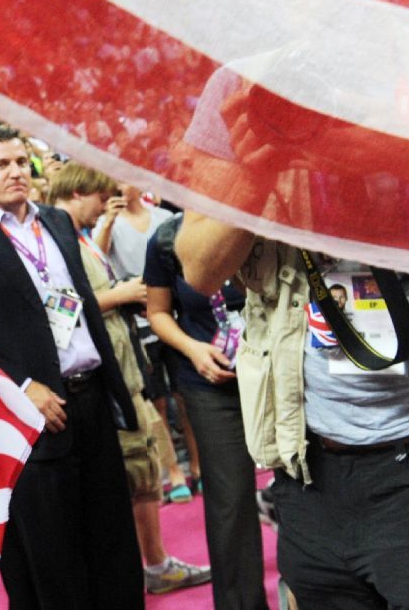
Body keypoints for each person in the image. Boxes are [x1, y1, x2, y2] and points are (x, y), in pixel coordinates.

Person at [0, 126, 142, 610]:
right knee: (55, 560)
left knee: (112, 545)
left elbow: (82, 305)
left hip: (91, 399)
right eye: (2, 165)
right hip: (30, 419)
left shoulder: (57, 222)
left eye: (22, 162)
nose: (15, 172)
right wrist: (20, 387)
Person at [179, 210, 409, 609]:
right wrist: (268, 168)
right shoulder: (251, 151)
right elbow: (200, 270)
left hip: (408, 451)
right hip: (305, 463)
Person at [48, 164, 211, 595]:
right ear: (79, 192)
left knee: (143, 469)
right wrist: (117, 296)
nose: (104, 206)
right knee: (134, 475)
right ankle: (151, 566)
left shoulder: (76, 237)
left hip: (123, 370)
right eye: (101, 197)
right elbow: (56, 314)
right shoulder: (53, 240)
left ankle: (151, 564)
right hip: (102, 380)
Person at [145, 213, 266, 610]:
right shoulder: (166, 238)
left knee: (303, 488)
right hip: (211, 386)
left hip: (275, 379)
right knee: (230, 500)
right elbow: (158, 312)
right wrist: (193, 349)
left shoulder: (263, 223)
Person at [97, 182, 199, 501]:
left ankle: (199, 466)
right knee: (156, 402)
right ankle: (173, 471)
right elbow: (97, 257)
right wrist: (108, 221)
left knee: (185, 396)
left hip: (172, 315)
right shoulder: (104, 224)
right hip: (135, 321)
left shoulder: (163, 217)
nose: (120, 185)